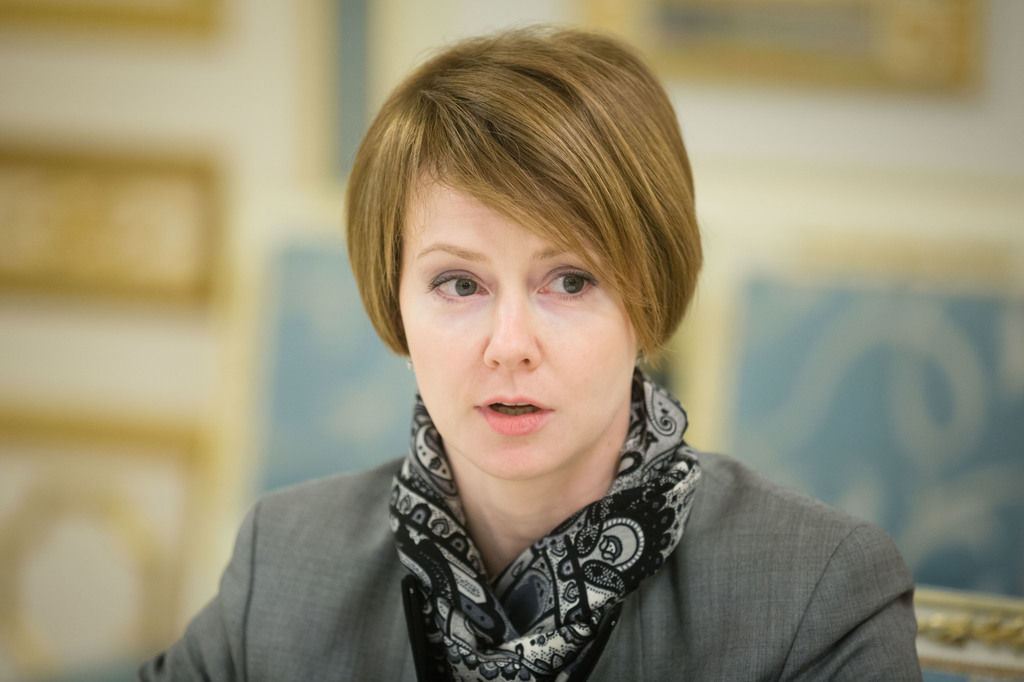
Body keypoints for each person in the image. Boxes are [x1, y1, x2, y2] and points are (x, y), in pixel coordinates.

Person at [138, 25, 921, 681]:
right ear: (394, 303)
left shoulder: (817, 592)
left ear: (648, 300)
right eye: (459, 284)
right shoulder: (282, 563)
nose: (509, 346)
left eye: (570, 281)